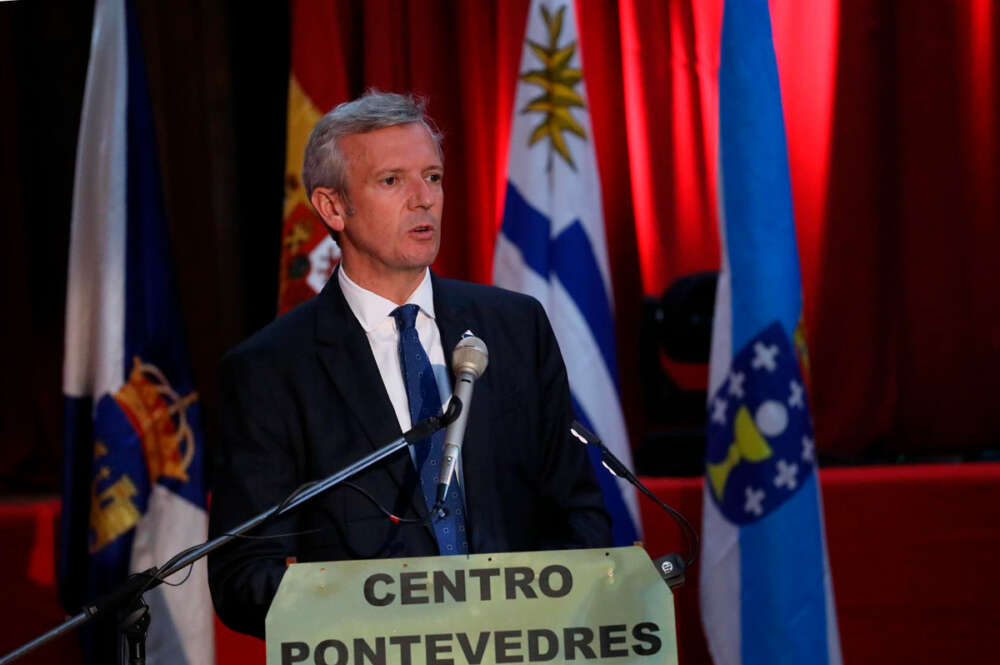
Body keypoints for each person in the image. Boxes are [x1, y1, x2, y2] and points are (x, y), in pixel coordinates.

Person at [207, 91, 611, 638]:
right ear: (332, 207)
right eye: (392, 181)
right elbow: (242, 576)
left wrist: (527, 612)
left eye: (434, 177)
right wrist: (387, 615)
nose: (424, 200)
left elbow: (580, 514)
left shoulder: (515, 327)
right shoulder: (271, 370)